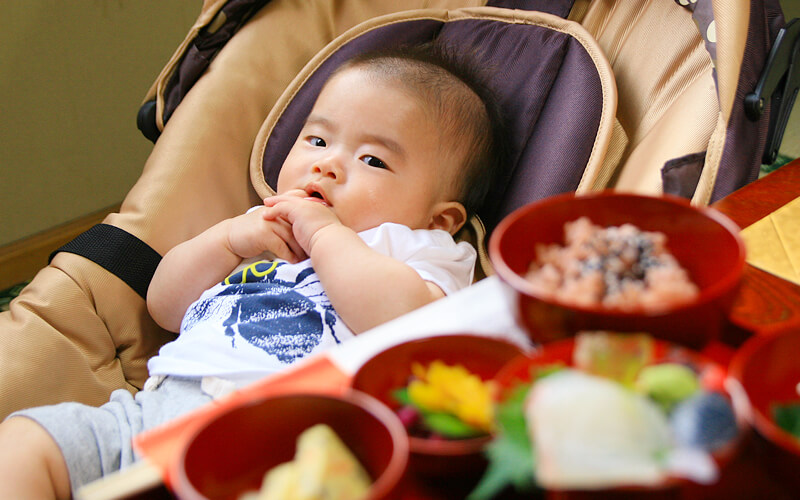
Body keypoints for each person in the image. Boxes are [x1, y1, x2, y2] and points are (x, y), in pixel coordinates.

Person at [0, 41, 509, 498]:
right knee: (24, 442)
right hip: (153, 416)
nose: (328, 165)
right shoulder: (258, 227)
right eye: (316, 140)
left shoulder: (420, 249)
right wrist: (226, 240)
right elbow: (165, 307)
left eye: (373, 160)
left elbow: (408, 324)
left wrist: (326, 235)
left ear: (440, 217)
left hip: (289, 439)